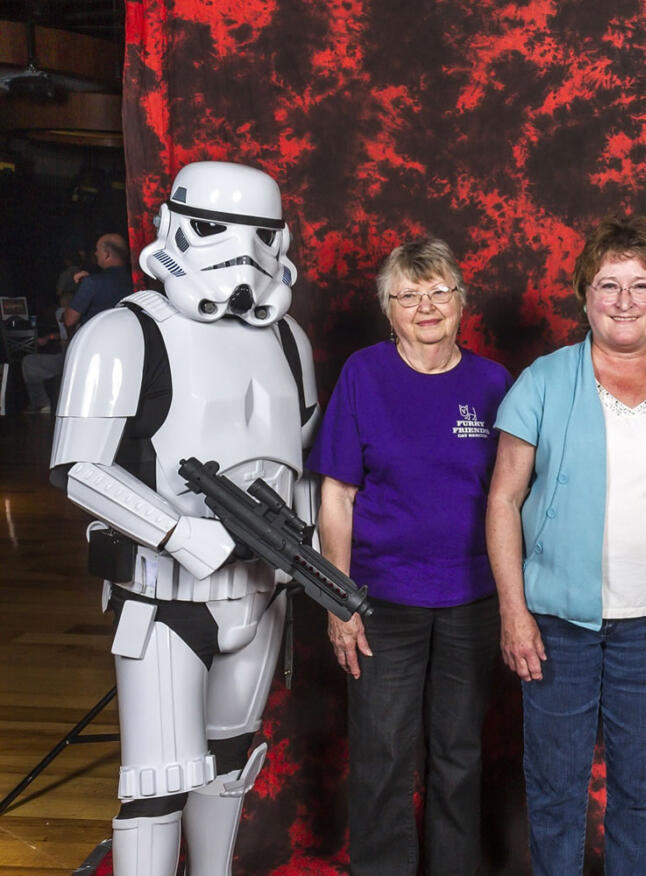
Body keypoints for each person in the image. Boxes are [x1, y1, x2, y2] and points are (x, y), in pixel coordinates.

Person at [50, 161, 318, 875]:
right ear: (175, 225)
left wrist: (308, 534)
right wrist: (176, 531)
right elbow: (78, 466)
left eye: (259, 235)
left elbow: (298, 458)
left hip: (262, 592)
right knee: (157, 784)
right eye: (214, 230)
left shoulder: (290, 343)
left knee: (229, 763)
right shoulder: (124, 332)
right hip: (163, 594)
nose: (241, 252)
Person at [487, 215, 646, 875]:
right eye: (609, 285)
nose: (624, 301)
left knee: (642, 788)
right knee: (556, 786)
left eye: (641, 285)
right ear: (585, 294)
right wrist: (514, 611)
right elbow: (503, 500)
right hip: (557, 625)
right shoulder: (542, 383)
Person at [310, 238, 510, 875]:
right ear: (387, 309)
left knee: (460, 755)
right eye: (409, 294)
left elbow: (514, 497)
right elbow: (336, 496)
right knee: (383, 758)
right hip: (381, 601)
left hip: (472, 601)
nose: (427, 305)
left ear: (461, 302)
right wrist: (338, 600)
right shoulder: (364, 375)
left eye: (440, 291)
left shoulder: (492, 382)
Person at [63, 232, 133, 332]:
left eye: (97, 250)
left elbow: (69, 320)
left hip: (96, 344)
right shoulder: (137, 282)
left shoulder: (92, 283)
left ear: (107, 254)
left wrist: (79, 288)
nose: (95, 254)